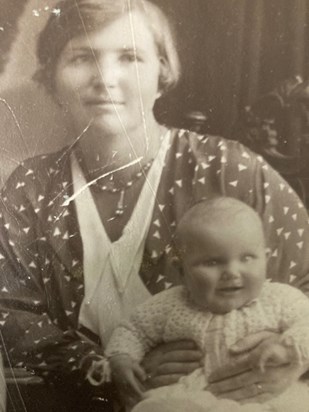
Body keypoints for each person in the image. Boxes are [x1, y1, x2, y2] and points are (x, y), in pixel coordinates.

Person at [0, 0, 308, 410]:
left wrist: (288, 353)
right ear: (51, 78)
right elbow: (10, 314)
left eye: (129, 57)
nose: (105, 78)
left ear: (162, 73)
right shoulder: (30, 188)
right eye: (80, 58)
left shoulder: (232, 171)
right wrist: (103, 369)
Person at [105, 197, 309, 412]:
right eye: (212, 262)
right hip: (191, 398)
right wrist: (122, 358)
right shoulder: (170, 305)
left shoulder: (280, 299)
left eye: (247, 258)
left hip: (267, 398)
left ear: (266, 259)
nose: (232, 272)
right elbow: (133, 330)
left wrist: (287, 348)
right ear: (181, 270)